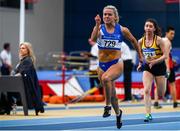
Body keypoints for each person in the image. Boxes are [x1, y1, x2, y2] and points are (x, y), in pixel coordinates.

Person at [91, 5, 143, 129]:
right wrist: (97, 24)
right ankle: (118, 113)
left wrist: (140, 57)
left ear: (115, 17)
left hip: (116, 63)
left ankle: (107, 106)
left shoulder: (122, 30)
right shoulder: (100, 28)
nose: (106, 16)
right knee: (113, 94)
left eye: (109, 14)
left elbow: (134, 41)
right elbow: (92, 39)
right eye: (105, 14)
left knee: (106, 79)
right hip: (102, 65)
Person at [137, 18, 168, 122]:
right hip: (148, 67)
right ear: (144, 28)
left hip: (159, 66)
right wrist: (140, 64)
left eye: (150, 26)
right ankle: (148, 114)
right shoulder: (140, 41)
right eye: (147, 26)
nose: (148, 28)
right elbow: (140, 55)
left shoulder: (159, 40)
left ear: (154, 29)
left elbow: (165, 55)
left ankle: (165, 78)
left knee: (160, 93)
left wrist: (155, 62)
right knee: (146, 90)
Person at [13, 42, 44, 115]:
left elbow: (22, 72)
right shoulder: (23, 60)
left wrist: (14, 76)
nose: (21, 50)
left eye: (23, 48)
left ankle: (5, 108)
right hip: (20, 83)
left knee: (6, 91)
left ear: (28, 50)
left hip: (25, 86)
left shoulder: (27, 60)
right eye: (20, 48)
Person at [154, 26, 179, 108]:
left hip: (160, 65)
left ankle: (156, 102)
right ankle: (175, 103)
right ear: (167, 33)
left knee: (158, 85)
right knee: (172, 84)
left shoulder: (161, 40)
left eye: (174, 34)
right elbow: (166, 56)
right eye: (171, 33)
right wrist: (168, 68)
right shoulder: (167, 42)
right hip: (167, 67)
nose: (173, 35)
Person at [0, 43, 13, 115]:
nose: (10, 47)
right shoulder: (3, 53)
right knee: (5, 81)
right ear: (7, 47)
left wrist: (10, 68)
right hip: (4, 68)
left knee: (9, 81)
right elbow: (3, 62)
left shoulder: (9, 53)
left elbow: (9, 61)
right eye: (9, 46)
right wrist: (8, 66)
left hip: (8, 69)